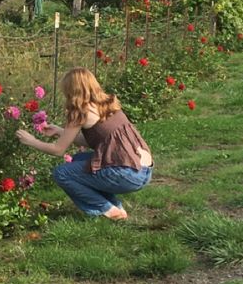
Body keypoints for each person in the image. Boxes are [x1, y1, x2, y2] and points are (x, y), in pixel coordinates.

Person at [16, 67, 153, 220]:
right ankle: (116, 208)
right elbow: (96, 141)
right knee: (79, 160)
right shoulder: (108, 104)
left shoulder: (80, 111)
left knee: (61, 173)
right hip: (143, 171)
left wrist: (31, 141)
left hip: (126, 174)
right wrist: (62, 131)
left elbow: (58, 150)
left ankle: (105, 208)